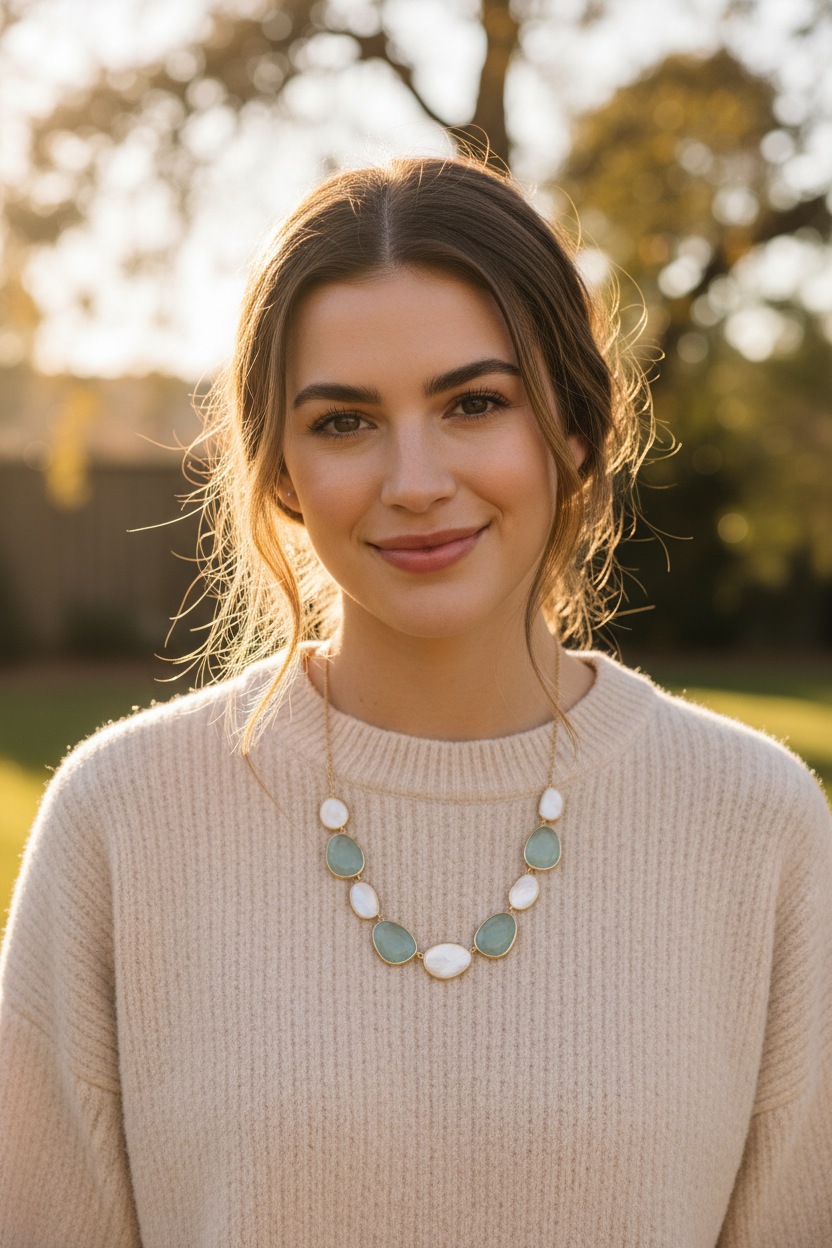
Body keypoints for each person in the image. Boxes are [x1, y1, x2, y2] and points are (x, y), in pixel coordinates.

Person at [1, 156, 830, 1248]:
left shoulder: (754, 822)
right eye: (344, 422)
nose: (415, 479)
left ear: (574, 431)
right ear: (282, 471)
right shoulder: (122, 817)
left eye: (474, 403)